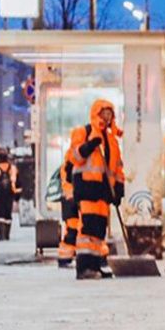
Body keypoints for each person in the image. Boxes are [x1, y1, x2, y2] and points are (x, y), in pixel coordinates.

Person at [69, 99, 125, 280]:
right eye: (104, 113)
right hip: (87, 189)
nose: (107, 117)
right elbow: (75, 156)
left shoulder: (111, 141)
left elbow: (116, 168)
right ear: (96, 113)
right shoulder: (83, 133)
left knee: (99, 231)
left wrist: (119, 189)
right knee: (88, 229)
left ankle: (94, 265)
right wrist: (90, 145)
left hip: (103, 192)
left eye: (110, 114)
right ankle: (83, 267)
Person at [0, 152, 20, 240]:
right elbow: (18, 182)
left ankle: (2, 235)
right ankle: (7, 235)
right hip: (9, 194)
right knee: (7, 214)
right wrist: (17, 196)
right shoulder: (13, 168)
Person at [56, 145, 80, 268]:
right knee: (73, 230)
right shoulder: (74, 159)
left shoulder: (68, 160)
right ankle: (65, 257)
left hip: (70, 199)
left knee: (72, 229)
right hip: (72, 199)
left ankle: (65, 257)